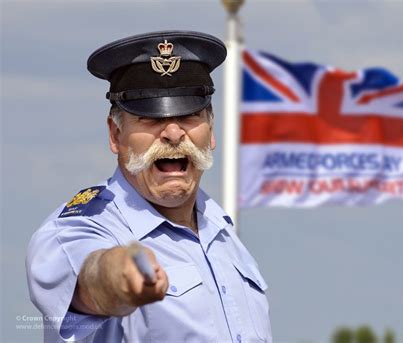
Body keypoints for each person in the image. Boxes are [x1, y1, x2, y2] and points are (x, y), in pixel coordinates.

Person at [26, 30, 272, 343]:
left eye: (189, 114)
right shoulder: (80, 227)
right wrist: (120, 275)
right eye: (150, 118)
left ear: (211, 130)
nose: (172, 132)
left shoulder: (218, 227)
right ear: (115, 135)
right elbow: (91, 281)